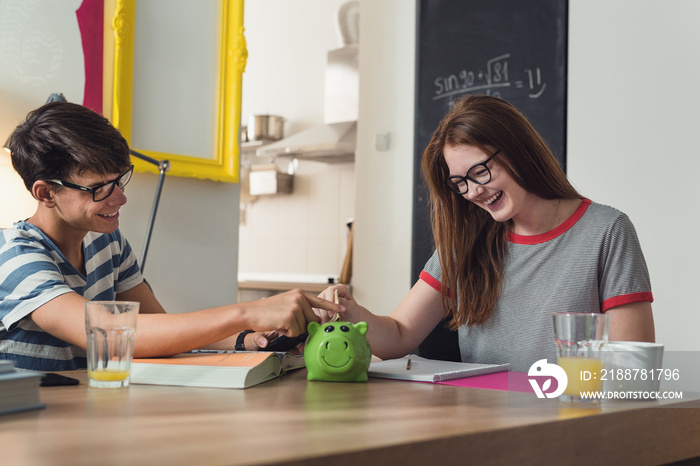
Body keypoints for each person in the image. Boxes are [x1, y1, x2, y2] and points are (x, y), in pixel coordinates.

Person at [319, 95, 655, 372]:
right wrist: (353, 315)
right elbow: (400, 334)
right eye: (460, 183)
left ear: (517, 149)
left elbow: (632, 370)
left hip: (569, 427)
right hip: (484, 427)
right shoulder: (464, 245)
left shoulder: (607, 231)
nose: (473, 192)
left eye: (480, 171)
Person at [0, 101, 341, 371]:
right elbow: (101, 332)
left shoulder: (107, 242)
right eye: (99, 189)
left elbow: (156, 328)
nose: (120, 198)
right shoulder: (15, 256)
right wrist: (247, 312)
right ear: (45, 194)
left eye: (119, 180)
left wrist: (245, 339)